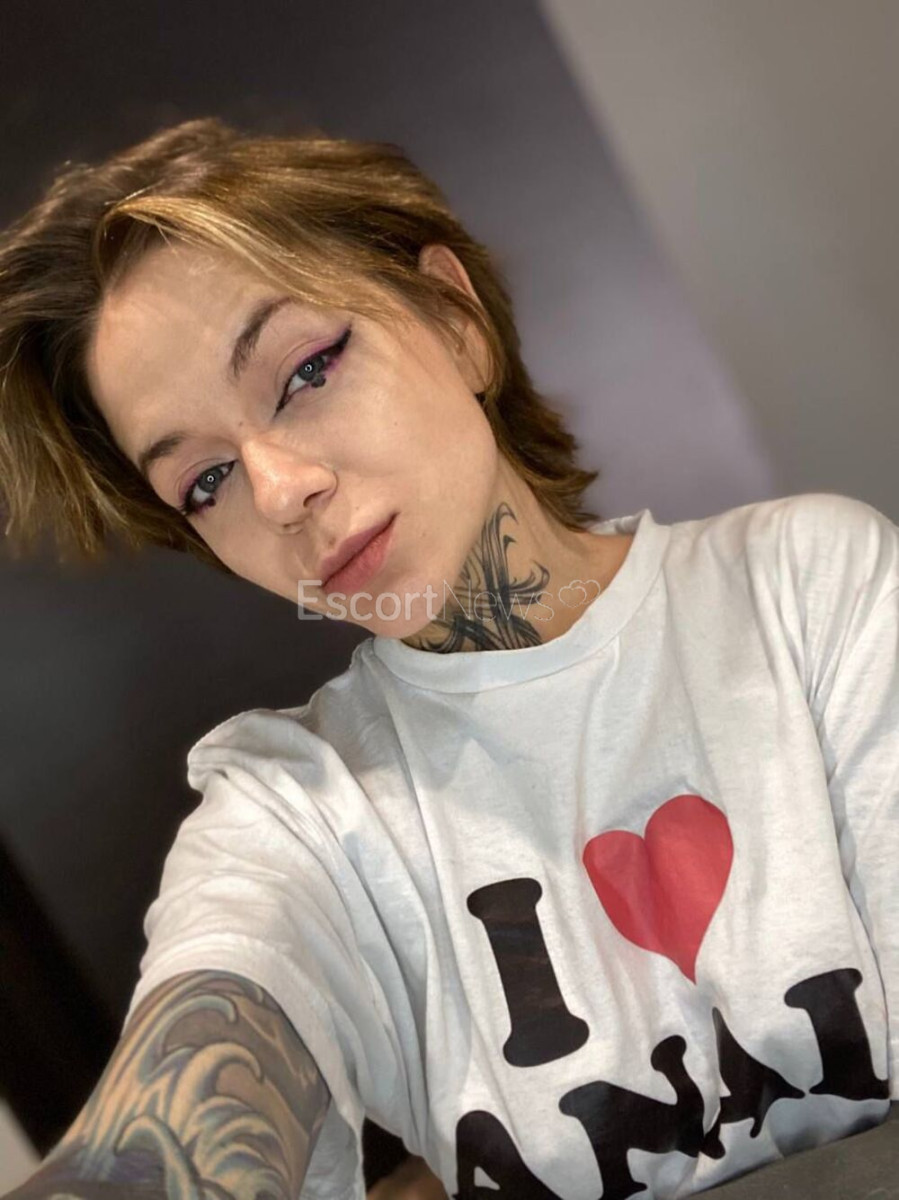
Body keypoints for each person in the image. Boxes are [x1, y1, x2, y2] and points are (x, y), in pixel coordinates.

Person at [0, 117, 897, 1200]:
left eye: (305, 369)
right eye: (204, 481)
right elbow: (171, 1112)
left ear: (454, 319)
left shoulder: (802, 586)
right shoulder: (296, 810)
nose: (278, 492)